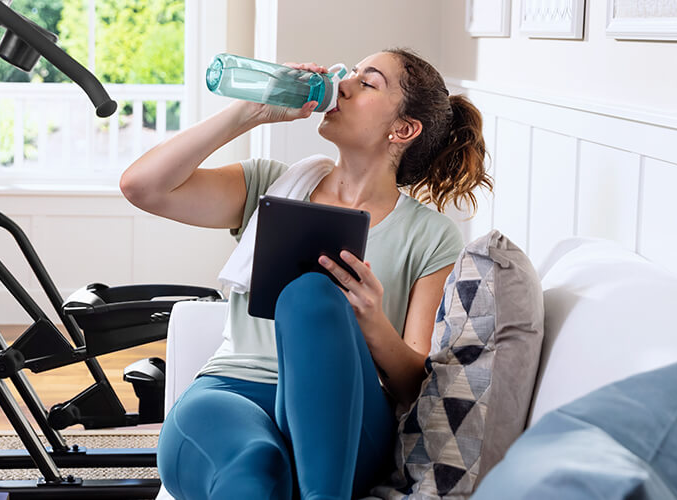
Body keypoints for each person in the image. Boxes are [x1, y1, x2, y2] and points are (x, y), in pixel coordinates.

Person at [120, 48, 493, 499]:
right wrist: (250, 112)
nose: (344, 83)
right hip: (232, 391)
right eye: (350, 72)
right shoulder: (268, 186)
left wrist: (372, 321)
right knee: (254, 469)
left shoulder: (431, 235)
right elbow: (143, 187)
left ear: (403, 129)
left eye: (367, 81)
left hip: (344, 412)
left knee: (311, 295)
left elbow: (417, 385)